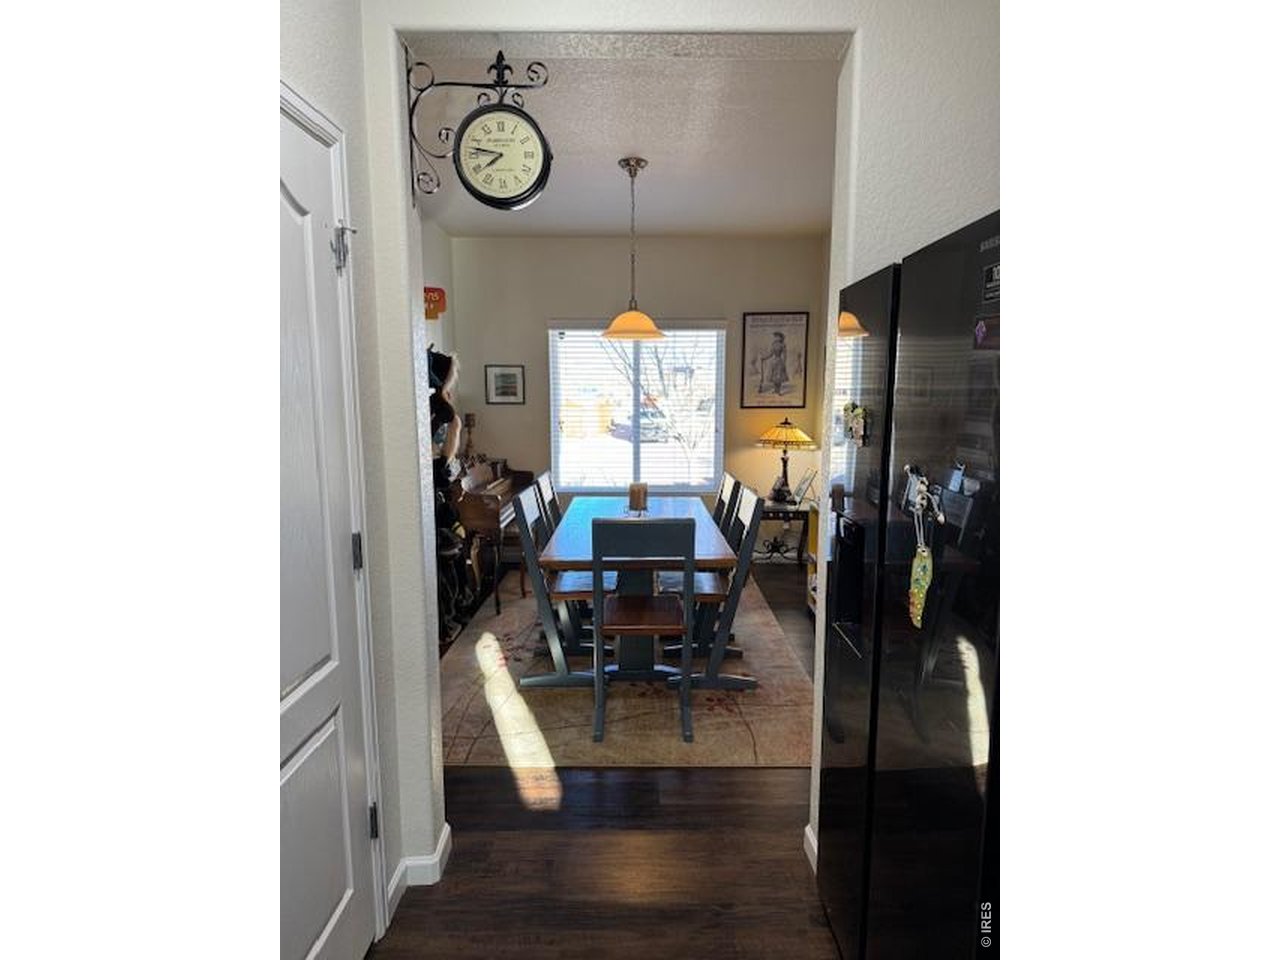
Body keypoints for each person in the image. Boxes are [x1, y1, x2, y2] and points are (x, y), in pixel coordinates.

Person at [760, 331, 790, 395]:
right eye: (775, 337)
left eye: (778, 337)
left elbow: (785, 355)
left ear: (780, 337)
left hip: (780, 361)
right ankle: (776, 390)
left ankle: (778, 390)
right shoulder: (773, 344)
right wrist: (764, 358)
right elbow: (770, 353)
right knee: (774, 376)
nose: (776, 338)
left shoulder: (783, 345)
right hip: (774, 362)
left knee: (779, 376)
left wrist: (784, 363)